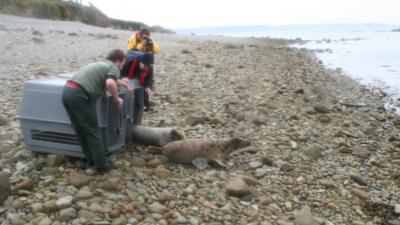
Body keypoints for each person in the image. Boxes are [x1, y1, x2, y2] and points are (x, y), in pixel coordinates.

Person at [62, 49, 132, 174]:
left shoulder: (101, 64)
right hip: (80, 96)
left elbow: (110, 79)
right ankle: (101, 166)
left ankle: (90, 161)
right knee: (93, 131)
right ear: (119, 60)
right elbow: (110, 82)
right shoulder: (113, 67)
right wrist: (117, 99)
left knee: (81, 130)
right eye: (123, 64)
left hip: (67, 92)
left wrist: (123, 83)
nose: (122, 67)